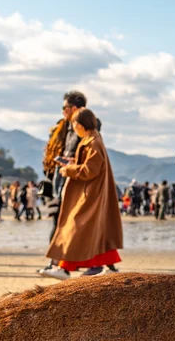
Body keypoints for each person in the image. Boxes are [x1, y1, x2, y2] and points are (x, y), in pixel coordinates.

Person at [40, 108, 123, 280]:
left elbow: (90, 170)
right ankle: (101, 266)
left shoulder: (92, 142)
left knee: (74, 228)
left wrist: (68, 169)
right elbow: (90, 165)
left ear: (80, 124)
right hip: (90, 193)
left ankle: (64, 267)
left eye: (74, 124)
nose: (73, 128)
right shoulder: (91, 140)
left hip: (89, 194)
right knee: (93, 231)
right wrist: (73, 162)